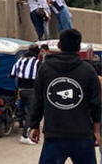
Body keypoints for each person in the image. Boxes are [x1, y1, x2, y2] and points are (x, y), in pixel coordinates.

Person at [29, 29, 101, 163]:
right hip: (82, 135)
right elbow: (96, 104)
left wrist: (34, 125)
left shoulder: (45, 68)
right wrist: (97, 131)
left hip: (54, 134)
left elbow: (38, 100)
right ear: (79, 47)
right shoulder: (89, 71)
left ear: (59, 45)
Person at [10, 44, 40, 145]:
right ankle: (25, 136)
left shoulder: (20, 60)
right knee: (30, 114)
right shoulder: (37, 63)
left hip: (21, 90)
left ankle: (18, 120)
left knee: (21, 108)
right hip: (31, 91)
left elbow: (12, 75)